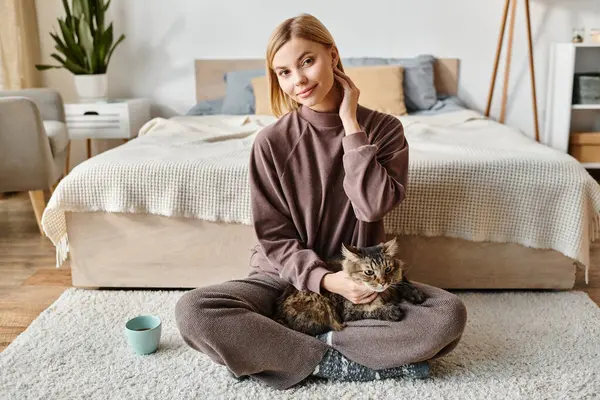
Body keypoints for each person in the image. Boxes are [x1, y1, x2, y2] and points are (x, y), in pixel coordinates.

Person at [175, 13, 467, 390]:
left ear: (333, 56)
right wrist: (326, 280)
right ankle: (344, 360)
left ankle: (281, 351)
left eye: (307, 62)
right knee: (195, 312)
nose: (297, 81)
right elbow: (275, 239)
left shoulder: (385, 130)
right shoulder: (270, 142)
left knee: (447, 316)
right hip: (283, 279)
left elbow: (371, 206)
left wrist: (351, 126)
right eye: (283, 72)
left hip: (362, 281)